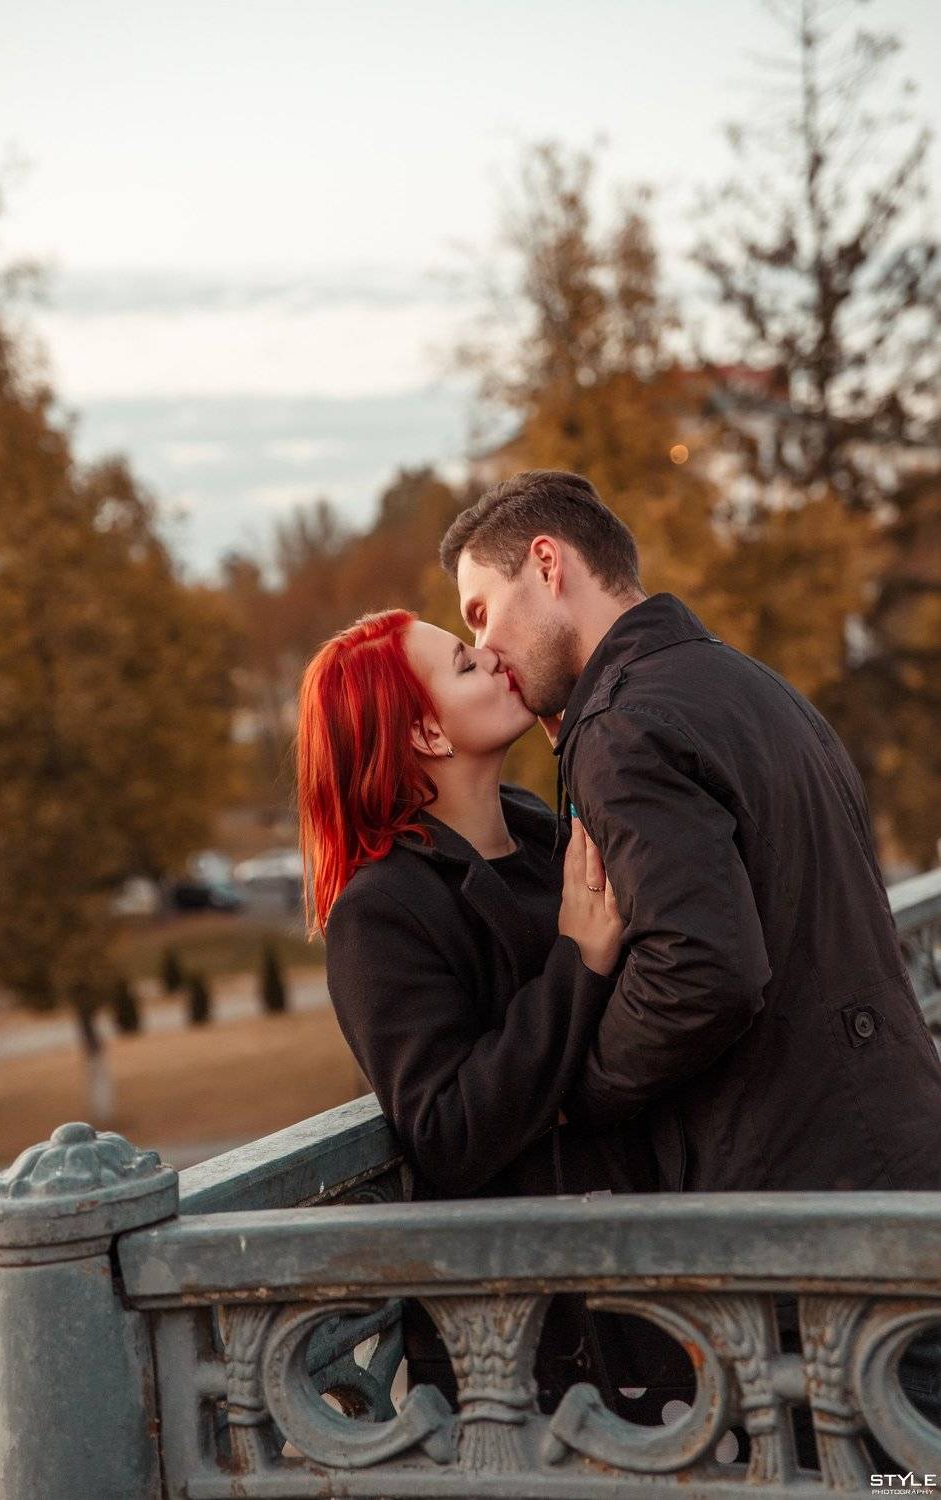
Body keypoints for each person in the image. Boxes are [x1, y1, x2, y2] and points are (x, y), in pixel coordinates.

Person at [440, 466, 941, 1461]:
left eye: (482, 612)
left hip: (809, 1220)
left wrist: (579, 1094)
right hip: (892, 1165)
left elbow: (702, 969)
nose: (485, 651)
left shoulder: (621, 725)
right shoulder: (747, 682)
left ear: (548, 563)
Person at [295, 608, 694, 1421]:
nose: (492, 657)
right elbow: (446, 1126)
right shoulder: (381, 911)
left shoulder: (546, 834)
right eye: (463, 664)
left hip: (658, 1262)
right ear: (426, 735)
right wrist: (576, 960)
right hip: (540, 1346)